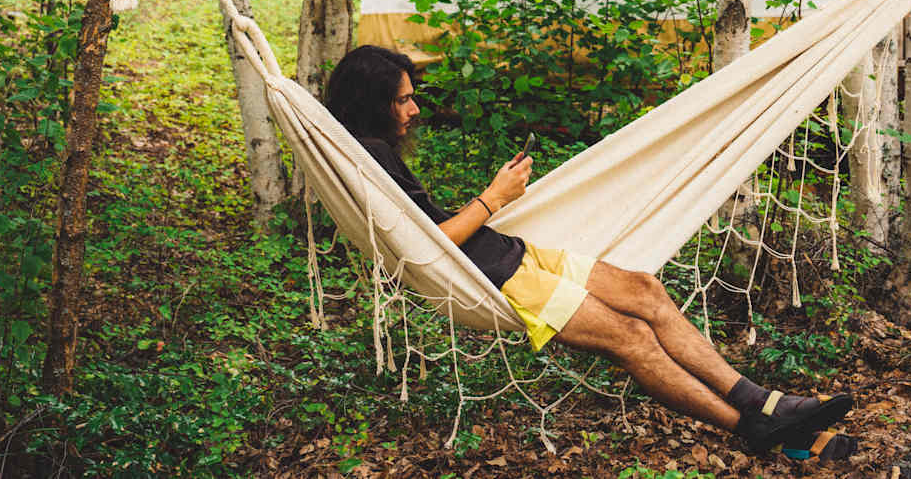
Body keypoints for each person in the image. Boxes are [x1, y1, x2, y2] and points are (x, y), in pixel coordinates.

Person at [325, 45, 858, 461]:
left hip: (513, 252)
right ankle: (756, 427)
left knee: (645, 291)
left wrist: (497, 206)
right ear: (374, 102)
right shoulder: (368, 156)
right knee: (632, 339)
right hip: (497, 279)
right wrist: (494, 197)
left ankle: (767, 404)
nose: (414, 108)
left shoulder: (371, 150)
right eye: (403, 99)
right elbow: (432, 244)